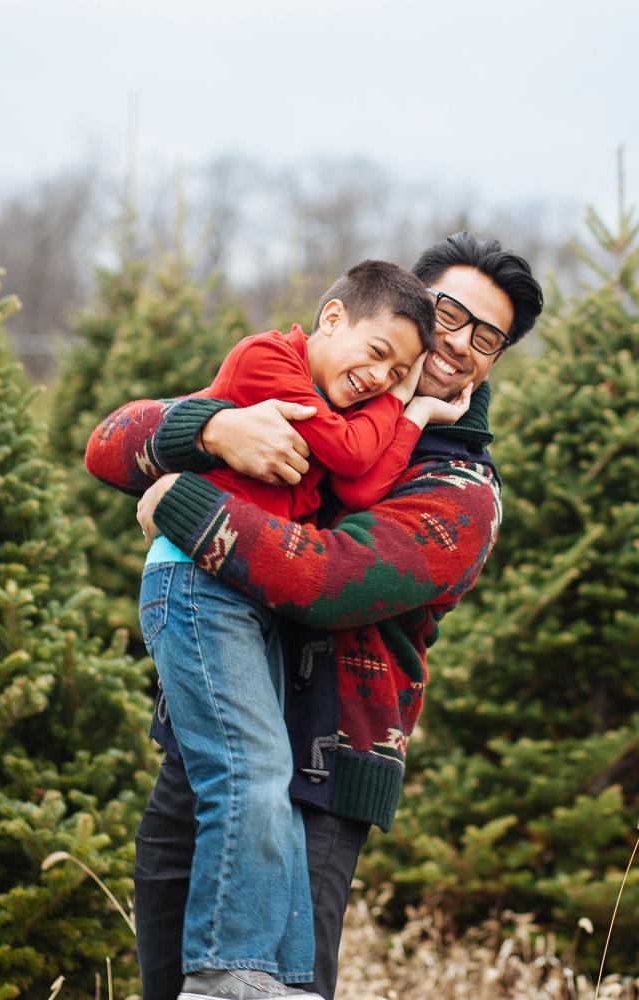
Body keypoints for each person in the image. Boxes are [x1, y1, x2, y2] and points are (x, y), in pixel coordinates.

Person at [85, 233, 544, 1000]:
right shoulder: (306, 393)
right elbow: (108, 443)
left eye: (486, 336)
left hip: (321, 780)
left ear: (494, 361)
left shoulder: (461, 489)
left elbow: (327, 579)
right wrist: (210, 429)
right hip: (204, 756)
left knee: (264, 986)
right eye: (448, 313)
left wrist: (181, 499)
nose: (457, 343)